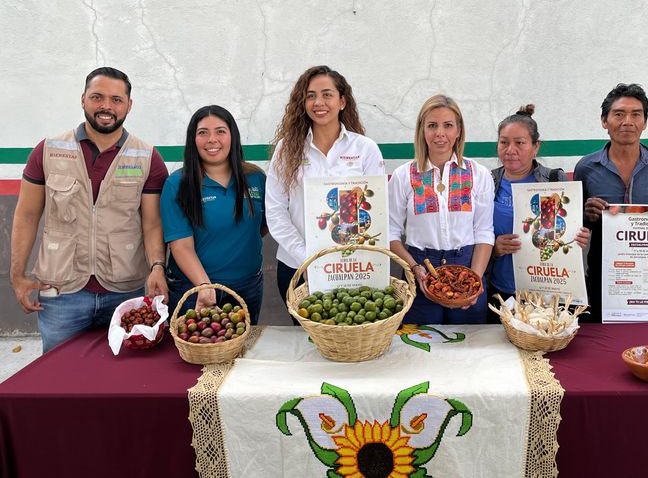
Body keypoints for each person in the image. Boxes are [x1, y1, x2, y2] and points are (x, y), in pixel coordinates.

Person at [9, 67, 169, 352]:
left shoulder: (147, 157)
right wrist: (18, 275)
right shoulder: (48, 150)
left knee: (123, 380)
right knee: (58, 379)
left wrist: (157, 265)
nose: (106, 106)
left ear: (129, 105)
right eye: (97, 97)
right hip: (61, 293)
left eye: (116, 100)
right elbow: (27, 215)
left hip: (125, 290)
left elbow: (152, 223)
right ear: (83, 99)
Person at [266, 65, 385, 313]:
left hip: (354, 268)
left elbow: (376, 212)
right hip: (297, 267)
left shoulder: (365, 149)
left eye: (327, 94)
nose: (318, 102)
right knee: (305, 343)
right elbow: (276, 212)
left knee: (349, 339)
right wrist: (306, 259)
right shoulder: (286, 149)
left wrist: (352, 258)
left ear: (342, 101)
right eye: (311, 95)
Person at [573, 83, 648, 322]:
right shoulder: (586, 168)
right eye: (619, 114)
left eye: (636, 114)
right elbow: (572, 229)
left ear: (645, 122)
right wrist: (586, 216)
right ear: (604, 121)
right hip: (601, 284)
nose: (627, 121)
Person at [388, 94, 494, 324]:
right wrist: (415, 269)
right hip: (419, 269)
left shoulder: (479, 174)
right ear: (422, 131)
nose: (440, 133)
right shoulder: (403, 176)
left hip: (468, 267)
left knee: (469, 348)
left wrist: (473, 283)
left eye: (448, 125)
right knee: (422, 349)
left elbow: (484, 232)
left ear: (458, 131)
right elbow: (390, 235)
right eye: (432, 126)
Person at [161, 105, 267, 323]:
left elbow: (263, 227)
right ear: (193, 139)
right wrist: (204, 286)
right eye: (203, 133)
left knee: (244, 352)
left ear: (232, 136)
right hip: (195, 292)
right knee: (198, 354)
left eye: (220, 131)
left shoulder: (256, 178)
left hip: (247, 288)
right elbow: (180, 246)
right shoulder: (177, 184)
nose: (212, 139)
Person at [489, 104, 590, 305]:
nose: (511, 150)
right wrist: (493, 248)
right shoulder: (487, 182)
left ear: (536, 146)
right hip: (500, 289)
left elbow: (562, 231)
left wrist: (577, 237)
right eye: (504, 142)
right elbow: (473, 232)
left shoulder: (554, 181)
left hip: (546, 293)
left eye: (520, 142)